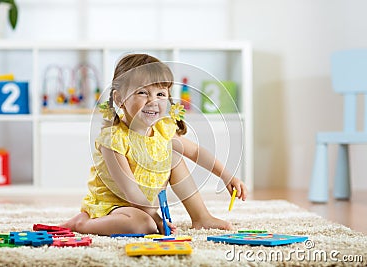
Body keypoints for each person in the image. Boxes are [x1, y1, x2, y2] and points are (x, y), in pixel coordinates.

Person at [60, 54, 247, 235]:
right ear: (119, 99)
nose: (153, 101)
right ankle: (83, 223)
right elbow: (131, 191)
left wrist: (227, 176)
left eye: (160, 94)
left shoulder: (162, 130)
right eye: (142, 92)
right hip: (115, 206)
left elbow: (196, 152)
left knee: (174, 156)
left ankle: (201, 217)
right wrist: (157, 219)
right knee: (143, 224)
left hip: (144, 204)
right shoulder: (113, 139)